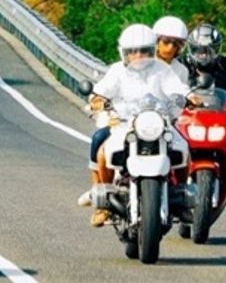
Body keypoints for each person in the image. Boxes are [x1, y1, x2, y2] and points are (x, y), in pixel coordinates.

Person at [85, 23, 201, 227]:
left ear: (152, 50)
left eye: (145, 51)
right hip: (125, 124)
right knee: (104, 152)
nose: (139, 56)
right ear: (124, 53)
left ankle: (182, 198)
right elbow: (102, 89)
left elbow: (176, 86)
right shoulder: (117, 71)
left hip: (158, 123)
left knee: (183, 148)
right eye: (133, 51)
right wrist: (97, 99)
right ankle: (104, 203)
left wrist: (189, 95)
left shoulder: (162, 69)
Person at [183, 23, 226, 168]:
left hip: (218, 119)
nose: (204, 55)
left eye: (209, 50)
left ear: (217, 49)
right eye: (199, 50)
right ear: (191, 48)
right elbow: (168, 89)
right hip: (186, 119)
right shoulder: (181, 65)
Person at [152, 15, 189, 84]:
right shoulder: (143, 64)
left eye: (176, 43)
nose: (170, 47)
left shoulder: (181, 71)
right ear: (156, 41)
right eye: (166, 41)